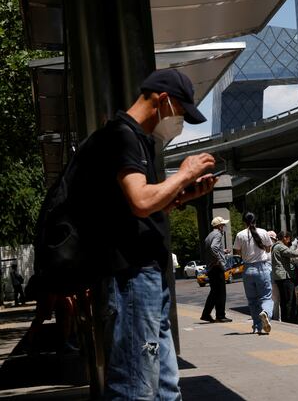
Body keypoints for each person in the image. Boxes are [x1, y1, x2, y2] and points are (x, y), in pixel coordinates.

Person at [74, 68, 217, 400]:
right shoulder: (122, 136)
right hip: (133, 276)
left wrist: (184, 195)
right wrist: (183, 175)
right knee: (135, 386)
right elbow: (140, 201)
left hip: (147, 275)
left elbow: (140, 209)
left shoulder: (136, 140)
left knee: (165, 387)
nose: (178, 123)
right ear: (163, 101)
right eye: (180, 114)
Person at [233, 212, 274, 334]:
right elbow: (268, 248)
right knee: (266, 297)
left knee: (252, 300)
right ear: (256, 220)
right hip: (262, 268)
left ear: (244, 221)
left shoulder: (240, 235)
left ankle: (257, 327)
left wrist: (246, 254)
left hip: (248, 270)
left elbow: (237, 252)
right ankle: (265, 312)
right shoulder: (263, 232)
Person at [201, 217, 231, 323]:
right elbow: (213, 248)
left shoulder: (209, 235)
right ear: (219, 226)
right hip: (216, 267)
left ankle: (206, 314)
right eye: (223, 225)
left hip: (211, 267)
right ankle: (220, 316)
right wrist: (219, 259)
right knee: (221, 292)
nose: (224, 227)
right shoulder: (218, 234)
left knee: (214, 292)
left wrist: (222, 251)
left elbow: (211, 248)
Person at [272, 230, 298, 322]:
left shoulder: (275, 246)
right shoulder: (280, 247)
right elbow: (294, 254)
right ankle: (289, 319)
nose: (289, 241)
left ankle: (287, 318)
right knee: (289, 299)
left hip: (280, 276)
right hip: (285, 276)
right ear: (284, 238)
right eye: (289, 239)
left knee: (285, 299)